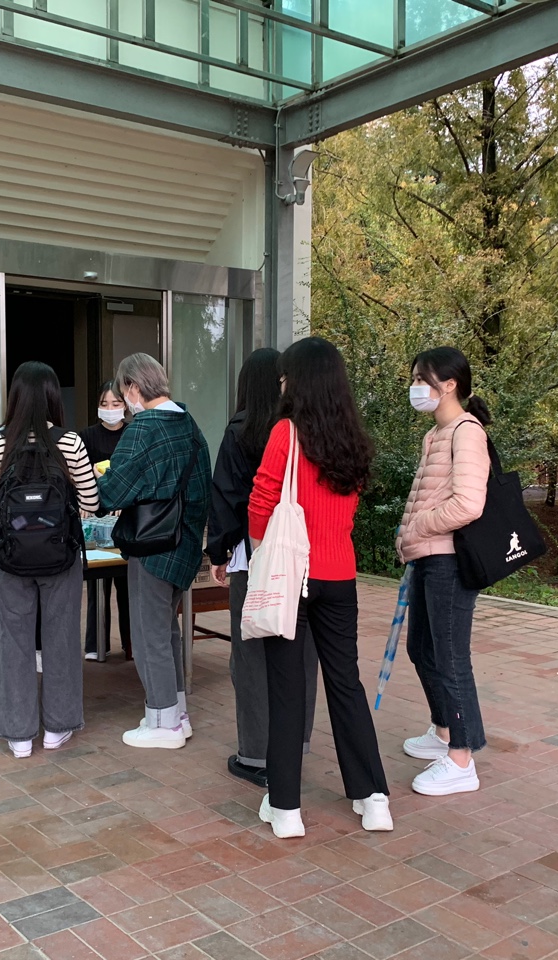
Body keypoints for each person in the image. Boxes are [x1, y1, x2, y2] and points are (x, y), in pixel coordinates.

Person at [249, 336, 392, 839]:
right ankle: (373, 798)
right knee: (345, 683)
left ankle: (286, 808)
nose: (281, 384)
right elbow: (345, 510)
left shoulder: (285, 432)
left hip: (293, 578)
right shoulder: (351, 437)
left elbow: (262, 501)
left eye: (285, 376)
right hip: (340, 576)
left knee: (288, 690)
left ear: (298, 381)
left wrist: (264, 551)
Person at [207, 349, 319, 789]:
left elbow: (226, 496)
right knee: (301, 652)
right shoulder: (303, 430)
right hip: (302, 557)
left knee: (251, 654)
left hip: (253, 556)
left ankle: (255, 754)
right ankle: (297, 744)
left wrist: (218, 552)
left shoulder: (240, 431)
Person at [0, 362, 100, 758]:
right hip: (60, 556)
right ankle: (57, 728)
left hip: (10, 559)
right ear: (52, 396)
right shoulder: (70, 442)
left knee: (13, 643)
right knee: (61, 640)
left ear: (15, 397)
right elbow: (91, 501)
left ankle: (18, 735)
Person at [98, 353, 211, 749]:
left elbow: (111, 493)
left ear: (132, 387)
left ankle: (163, 722)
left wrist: (94, 478)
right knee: (167, 631)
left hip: (152, 545)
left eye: (122, 391)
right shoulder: (189, 423)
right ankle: (177, 714)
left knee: (150, 635)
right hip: (185, 543)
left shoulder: (144, 428)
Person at [396, 346, 491, 796]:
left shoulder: (466, 432)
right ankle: (444, 731)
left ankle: (462, 759)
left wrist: (418, 527)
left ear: (449, 384)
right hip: (428, 557)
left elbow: (469, 504)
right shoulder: (437, 433)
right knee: (422, 649)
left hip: (449, 560)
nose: (415, 387)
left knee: (450, 657)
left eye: (422, 379)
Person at [80, 381, 131, 661]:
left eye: (116, 403)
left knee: (127, 583)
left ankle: (131, 644)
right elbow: (77, 474)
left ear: (125, 405)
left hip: (126, 514)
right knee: (97, 582)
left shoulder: (133, 433)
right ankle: (96, 644)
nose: (110, 409)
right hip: (95, 514)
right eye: (104, 404)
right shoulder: (86, 436)